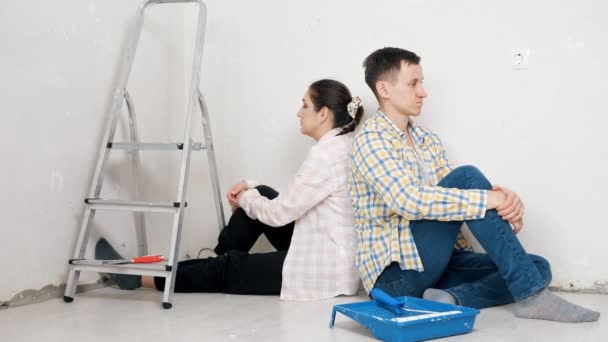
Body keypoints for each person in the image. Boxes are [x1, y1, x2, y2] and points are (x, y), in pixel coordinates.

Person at [349, 47, 600, 322]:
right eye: (413, 83)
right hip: (395, 279)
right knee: (467, 177)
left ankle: (452, 299)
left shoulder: (426, 140)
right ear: (383, 89)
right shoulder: (370, 139)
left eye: (422, 83)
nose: (423, 92)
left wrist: (502, 198)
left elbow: (456, 200)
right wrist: (490, 200)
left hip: (438, 267)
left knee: (538, 267)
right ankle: (532, 297)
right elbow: (409, 201)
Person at [96, 79, 363, 301]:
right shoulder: (342, 144)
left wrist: (247, 197)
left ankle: (140, 278)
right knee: (264, 192)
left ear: (323, 114)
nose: (298, 112)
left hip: (321, 269)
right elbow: (302, 196)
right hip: (332, 252)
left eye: (304, 105)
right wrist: (251, 187)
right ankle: (212, 262)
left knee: (232, 264)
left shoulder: (323, 157)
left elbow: (281, 214)